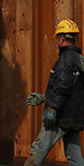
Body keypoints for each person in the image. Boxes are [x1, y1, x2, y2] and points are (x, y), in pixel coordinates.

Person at [25, 19, 84, 166]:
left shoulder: (64, 60)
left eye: (57, 38)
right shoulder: (79, 59)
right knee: (76, 159)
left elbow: (62, 87)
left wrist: (52, 109)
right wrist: (44, 97)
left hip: (60, 116)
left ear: (62, 39)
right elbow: (72, 89)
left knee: (38, 149)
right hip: (74, 117)